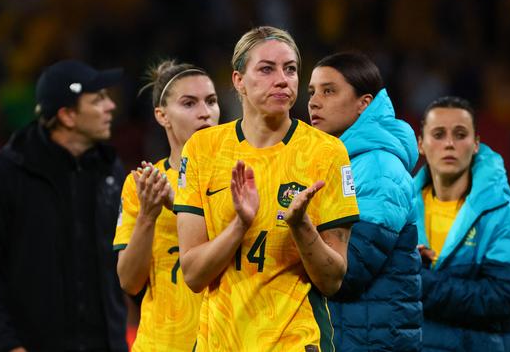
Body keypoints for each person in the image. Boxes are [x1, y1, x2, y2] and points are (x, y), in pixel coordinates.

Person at [173, 26, 359, 352]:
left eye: (290, 69)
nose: (282, 79)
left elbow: (332, 281)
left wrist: (302, 228)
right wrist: (240, 224)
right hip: (220, 342)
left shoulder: (327, 153)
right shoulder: (203, 150)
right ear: (238, 81)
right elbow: (193, 275)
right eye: (266, 69)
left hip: (297, 341)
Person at [0, 60, 128, 352]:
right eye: (98, 99)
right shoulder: (7, 172)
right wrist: (8, 345)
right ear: (67, 115)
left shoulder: (110, 170)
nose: (110, 107)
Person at [307, 51, 422, 351]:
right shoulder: (338, 163)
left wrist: (294, 230)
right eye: (312, 92)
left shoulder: (380, 168)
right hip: (350, 334)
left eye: (329, 90)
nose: (314, 101)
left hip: (371, 341)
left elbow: (349, 271)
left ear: (364, 104)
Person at [113, 60, 220, 351]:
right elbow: (129, 282)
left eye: (211, 101)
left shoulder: (241, 177)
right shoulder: (142, 184)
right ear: (162, 116)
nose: (205, 113)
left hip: (225, 339)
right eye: (189, 103)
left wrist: (178, 205)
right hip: (160, 342)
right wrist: (148, 215)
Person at [414, 96, 510, 351]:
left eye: (460, 134)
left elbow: (502, 297)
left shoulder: (504, 215)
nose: (449, 144)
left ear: (476, 143)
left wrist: (418, 280)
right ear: (421, 144)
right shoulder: (401, 211)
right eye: (438, 134)